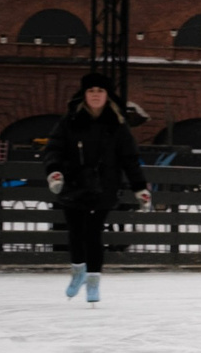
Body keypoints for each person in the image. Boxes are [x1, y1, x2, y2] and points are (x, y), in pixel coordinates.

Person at [43, 72, 150, 305]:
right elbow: (54, 148)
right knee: (75, 232)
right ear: (84, 94)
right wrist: (54, 170)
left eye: (100, 91)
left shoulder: (117, 125)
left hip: (104, 186)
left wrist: (140, 187)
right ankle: (78, 272)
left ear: (107, 96)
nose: (95, 95)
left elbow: (130, 159)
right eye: (91, 91)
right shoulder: (70, 121)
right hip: (73, 183)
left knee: (92, 233)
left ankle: (93, 281)